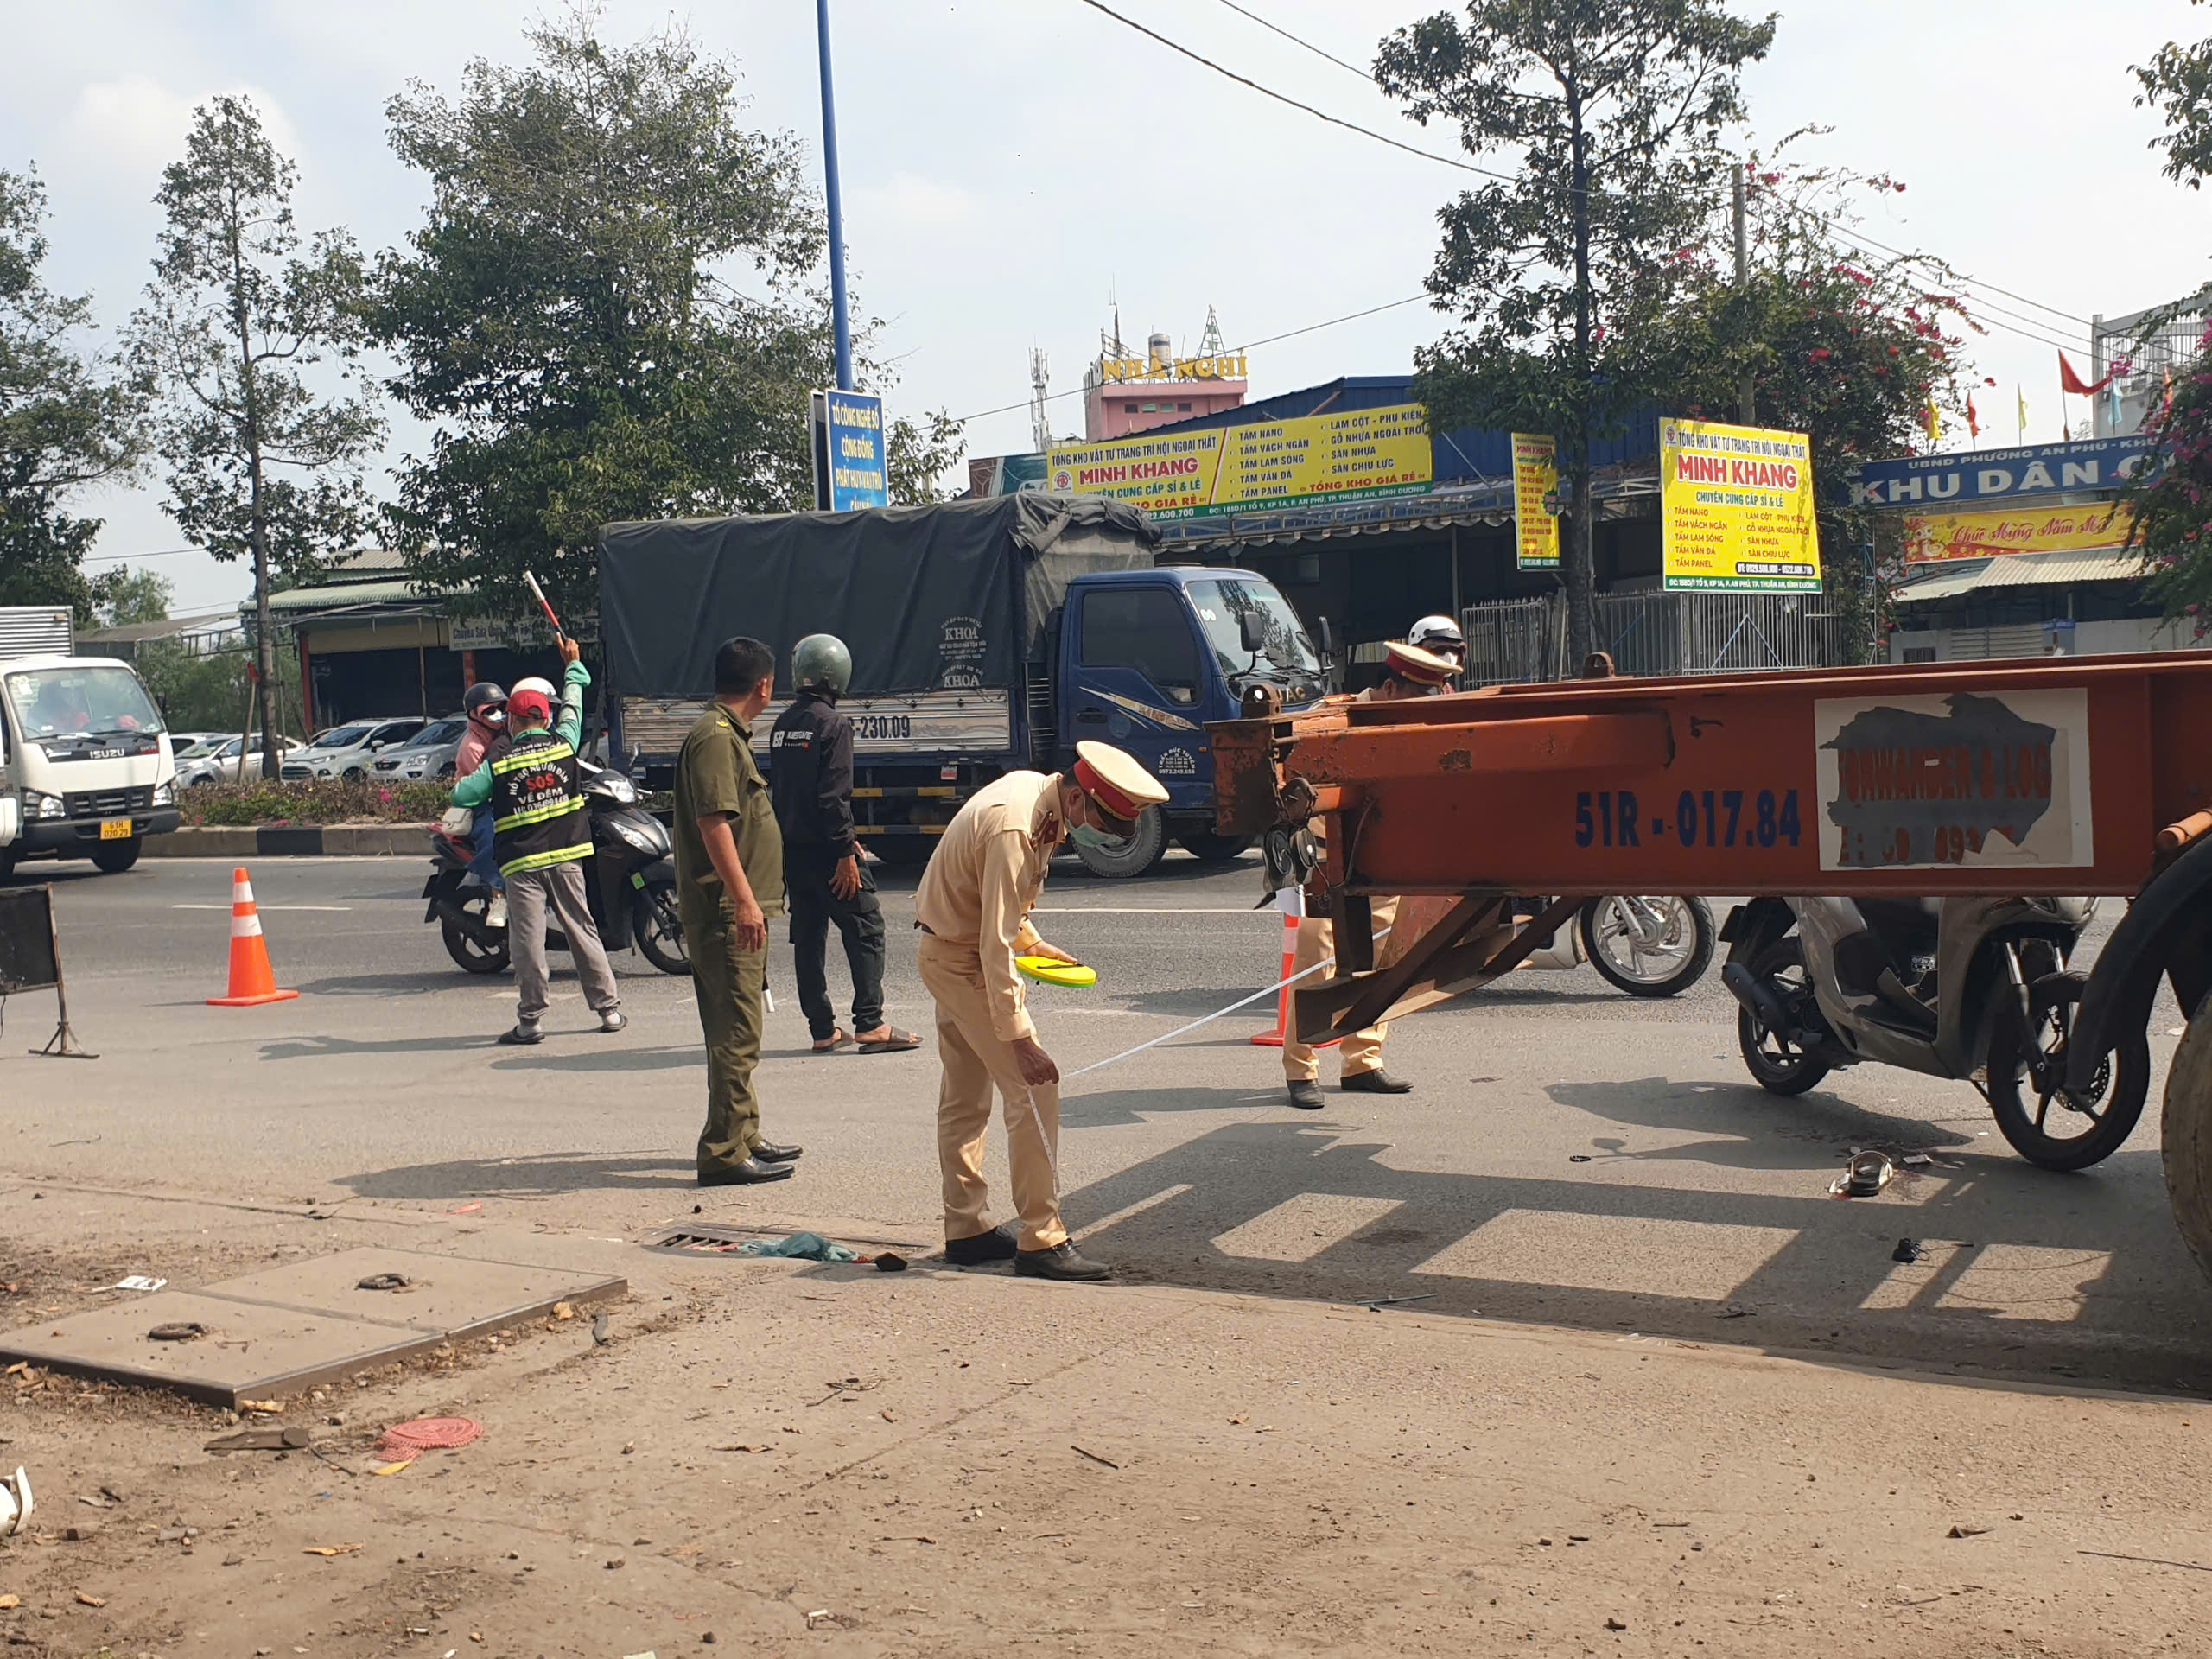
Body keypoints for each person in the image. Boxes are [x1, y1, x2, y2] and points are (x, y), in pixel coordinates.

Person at [914, 739, 1168, 1281]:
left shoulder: (1041, 800)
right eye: (1105, 822)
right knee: (1035, 1087)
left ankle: (966, 1230)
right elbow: (994, 943)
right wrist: (1019, 1038)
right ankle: (1042, 1238)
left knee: (965, 1095)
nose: (1107, 837)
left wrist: (1033, 941)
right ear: (1080, 799)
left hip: (950, 948)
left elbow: (1001, 911)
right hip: (963, 963)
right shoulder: (1016, 826)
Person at [1281, 639, 1459, 1109]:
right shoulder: (1331, 718)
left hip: (1380, 857)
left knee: (1383, 960)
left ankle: (1363, 1063)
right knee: (1315, 964)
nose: (1425, 709)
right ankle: (1301, 1071)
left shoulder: (1413, 725)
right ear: (1387, 687)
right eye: (1418, 698)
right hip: (1323, 858)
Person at [447, 639, 623, 1045]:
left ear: (510, 720)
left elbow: (462, 796)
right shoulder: (564, 744)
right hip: (567, 856)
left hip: (522, 864)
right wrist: (573, 666)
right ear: (545, 717)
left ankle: (531, 1022)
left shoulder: (500, 759)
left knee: (527, 941)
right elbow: (575, 705)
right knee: (583, 930)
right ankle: (609, 1011)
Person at [675, 636, 799, 1188]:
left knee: (739, 1027)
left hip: (736, 910)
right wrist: (746, 901)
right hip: (728, 912)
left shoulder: (723, 734)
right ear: (764, 685)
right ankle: (724, 1151)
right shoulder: (716, 738)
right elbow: (714, 823)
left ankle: (744, 1132)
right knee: (737, 1031)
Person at [768, 632, 916, 1055]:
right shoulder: (832, 724)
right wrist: (843, 852)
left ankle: (822, 1029)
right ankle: (870, 1023)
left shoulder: (783, 726)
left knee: (809, 936)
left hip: (794, 853)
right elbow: (833, 796)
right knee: (866, 926)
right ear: (838, 675)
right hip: (827, 852)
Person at [456, 682, 508, 930]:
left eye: (501, 708)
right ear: (475, 715)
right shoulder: (472, 746)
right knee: (493, 835)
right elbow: (481, 787)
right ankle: (498, 895)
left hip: (507, 799)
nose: (497, 715)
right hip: (481, 805)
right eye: (490, 711)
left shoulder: (507, 735)